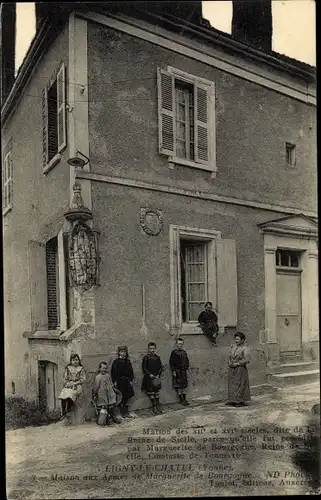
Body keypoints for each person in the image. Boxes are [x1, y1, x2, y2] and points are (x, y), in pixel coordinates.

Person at [58, 354, 86, 419]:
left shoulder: (81, 369)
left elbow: (83, 379)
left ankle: (68, 409)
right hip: (69, 384)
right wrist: (67, 383)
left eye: (76, 360)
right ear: (71, 361)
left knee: (71, 393)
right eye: (73, 360)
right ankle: (64, 412)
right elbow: (65, 378)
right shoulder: (68, 368)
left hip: (77, 385)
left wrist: (76, 383)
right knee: (63, 393)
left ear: (79, 361)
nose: (75, 362)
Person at [226, 332, 251, 407]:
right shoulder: (232, 347)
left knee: (240, 384)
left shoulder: (245, 348)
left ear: (242, 340)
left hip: (240, 368)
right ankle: (232, 400)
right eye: (235, 339)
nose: (236, 341)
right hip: (231, 368)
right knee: (232, 384)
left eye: (238, 339)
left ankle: (240, 401)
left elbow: (247, 360)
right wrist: (229, 362)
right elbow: (229, 356)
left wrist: (237, 364)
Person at [111, 346, 135, 418]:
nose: (123, 353)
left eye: (124, 352)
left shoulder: (128, 361)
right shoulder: (116, 362)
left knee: (127, 396)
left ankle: (126, 409)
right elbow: (113, 372)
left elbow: (131, 372)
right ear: (119, 353)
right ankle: (122, 410)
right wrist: (114, 381)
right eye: (121, 352)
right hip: (120, 381)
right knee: (121, 395)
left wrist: (131, 380)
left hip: (127, 381)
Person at [141, 342, 163, 415]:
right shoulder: (146, 358)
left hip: (156, 378)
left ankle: (158, 405)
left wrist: (158, 375)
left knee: (156, 392)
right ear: (148, 349)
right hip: (149, 378)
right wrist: (149, 374)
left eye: (153, 348)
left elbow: (160, 367)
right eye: (151, 348)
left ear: (155, 349)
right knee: (151, 393)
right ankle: (154, 406)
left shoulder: (157, 357)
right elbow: (144, 368)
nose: (152, 350)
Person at [169, 337, 190, 406]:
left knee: (184, 386)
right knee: (179, 386)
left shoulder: (184, 352)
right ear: (176, 344)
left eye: (181, 344)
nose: (180, 345)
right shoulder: (174, 352)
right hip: (177, 371)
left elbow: (187, 361)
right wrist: (173, 371)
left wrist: (187, 368)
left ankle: (184, 399)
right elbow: (171, 362)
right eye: (179, 344)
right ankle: (181, 400)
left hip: (183, 371)